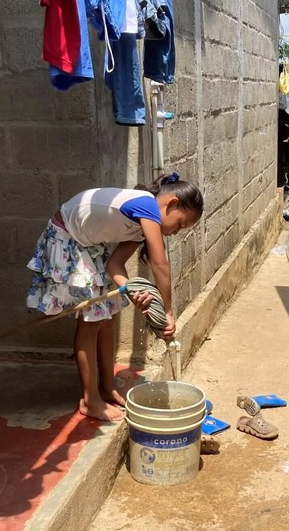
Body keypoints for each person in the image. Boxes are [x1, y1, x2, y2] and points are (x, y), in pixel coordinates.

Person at [26, 173, 204, 421]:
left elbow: (116, 265)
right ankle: (89, 400)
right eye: (180, 224)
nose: (176, 232)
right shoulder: (147, 206)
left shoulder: (141, 224)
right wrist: (168, 311)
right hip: (65, 237)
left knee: (107, 316)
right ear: (171, 204)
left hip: (86, 243)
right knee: (91, 322)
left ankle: (107, 385)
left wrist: (133, 291)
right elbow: (160, 264)